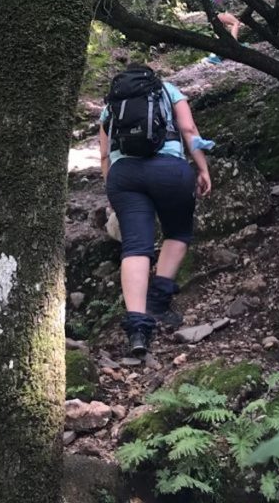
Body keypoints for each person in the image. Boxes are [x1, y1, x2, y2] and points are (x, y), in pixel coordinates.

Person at [100, 63, 212, 357]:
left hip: (124, 175)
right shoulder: (169, 90)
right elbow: (189, 130)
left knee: (136, 247)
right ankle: (159, 302)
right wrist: (202, 168)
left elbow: (104, 154)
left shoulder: (112, 103)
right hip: (169, 171)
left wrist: (110, 189)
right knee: (177, 232)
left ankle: (138, 328)